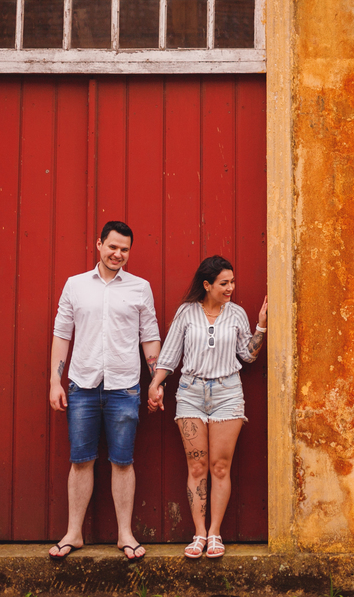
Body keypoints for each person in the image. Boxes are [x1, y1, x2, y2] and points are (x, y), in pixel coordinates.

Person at [47, 220, 161, 561]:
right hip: (82, 385)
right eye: (112, 246)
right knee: (81, 460)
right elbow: (62, 333)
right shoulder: (75, 285)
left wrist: (155, 380)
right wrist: (55, 380)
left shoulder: (140, 287)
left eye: (124, 249)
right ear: (99, 244)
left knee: (123, 462)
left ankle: (125, 534)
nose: (118, 254)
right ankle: (74, 533)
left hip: (124, 388)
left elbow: (149, 335)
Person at [146, 255, 267, 560]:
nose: (230, 288)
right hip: (190, 393)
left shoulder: (236, 313)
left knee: (220, 467)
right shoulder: (187, 313)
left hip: (228, 393)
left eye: (232, 282)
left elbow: (247, 356)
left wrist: (261, 327)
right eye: (224, 283)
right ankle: (199, 532)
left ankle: (215, 532)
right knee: (197, 467)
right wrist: (155, 384)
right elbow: (170, 355)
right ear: (207, 284)